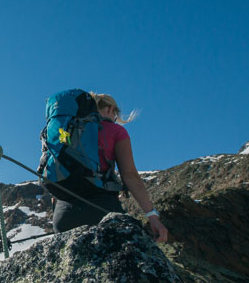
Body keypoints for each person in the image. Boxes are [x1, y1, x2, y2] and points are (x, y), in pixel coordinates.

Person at [51, 93, 169, 242]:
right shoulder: (116, 131)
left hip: (64, 214)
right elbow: (129, 174)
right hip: (102, 209)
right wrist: (152, 216)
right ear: (110, 109)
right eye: (116, 113)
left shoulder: (68, 129)